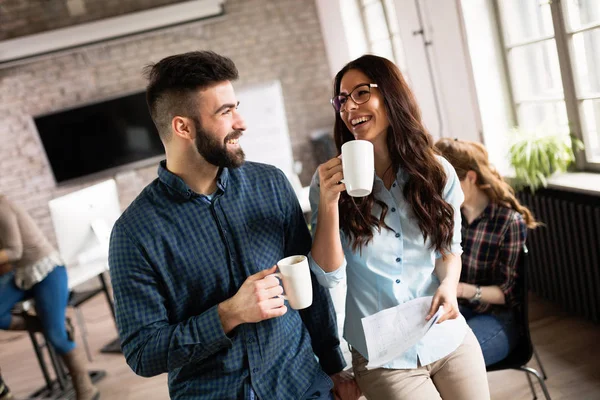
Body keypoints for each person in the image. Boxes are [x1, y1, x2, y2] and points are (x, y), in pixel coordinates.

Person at [108, 51, 359, 400]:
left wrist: (334, 366)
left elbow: (309, 286)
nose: (241, 122)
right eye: (225, 112)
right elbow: (142, 352)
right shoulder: (134, 233)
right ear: (183, 127)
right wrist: (227, 314)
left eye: (235, 107)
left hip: (303, 387)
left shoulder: (270, 184)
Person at [309, 54, 490, 400]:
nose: (349, 107)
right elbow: (328, 275)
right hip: (383, 353)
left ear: (392, 95)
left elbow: (449, 250)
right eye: (343, 99)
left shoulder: (437, 173)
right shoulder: (329, 182)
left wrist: (450, 286)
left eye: (361, 93)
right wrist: (329, 204)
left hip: (443, 332)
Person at [434, 138, 538, 366]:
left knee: (449, 362)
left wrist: (457, 288)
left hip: (496, 318)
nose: (441, 191)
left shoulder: (508, 221)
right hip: (457, 311)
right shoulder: (449, 216)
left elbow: (507, 294)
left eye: (446, 182)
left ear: (470, 178)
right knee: (422, 357)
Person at [0, 195, 99, 400]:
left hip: (47, 270)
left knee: (56, 338)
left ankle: (87, 389)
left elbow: (15, 251)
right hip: (20, 275)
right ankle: (50, 324)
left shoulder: (2, 207)